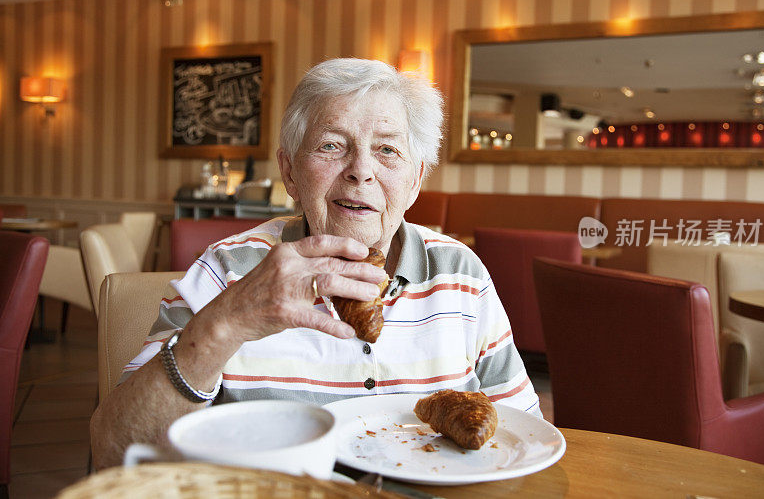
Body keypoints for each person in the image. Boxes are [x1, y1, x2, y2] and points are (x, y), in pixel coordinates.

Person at [90, 58, 541, 468]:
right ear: (290, 172)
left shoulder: (462, 275)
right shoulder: (228, 272)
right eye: (331, 145)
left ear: (416, 179)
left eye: (387, 150)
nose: (361, 170)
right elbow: (116, 447)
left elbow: (526, 437)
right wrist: (228, 322)